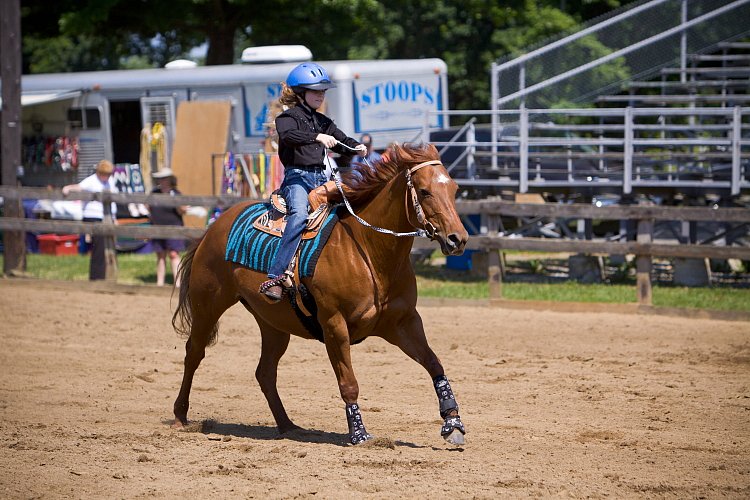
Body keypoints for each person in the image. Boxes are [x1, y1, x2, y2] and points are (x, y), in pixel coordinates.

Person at [259, 62, 366, 302]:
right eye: (315, 90)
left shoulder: (324, 121)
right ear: (300, 93)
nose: (320, 95)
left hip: (323, 179)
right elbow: (288, 136)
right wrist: (317, 136)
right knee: (298, 216)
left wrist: (356, 146)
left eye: (323, 91)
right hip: (297, 178)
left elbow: (342, 139)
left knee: (352, 211)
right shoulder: (286, 119)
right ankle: (276, 276)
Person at [62, 159, 117, 280]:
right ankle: (96, 277)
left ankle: (107, 274)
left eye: (108, 174)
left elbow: (113, 200)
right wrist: (67, 188)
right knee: (99, 248)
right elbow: (79, 187)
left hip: (107, 217)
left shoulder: (110, 181)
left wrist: (114, 217)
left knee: (109, 248)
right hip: (94, 217)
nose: (107, 176)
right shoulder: (92, 180)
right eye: (105, 174)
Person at [148, 168, 187, 287]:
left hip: (174, 227)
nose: (162, 180)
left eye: (164, 178)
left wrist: (178, 205)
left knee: (174, 254)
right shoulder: (154, 192)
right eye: (160, 178)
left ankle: (178, 283)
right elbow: (148, 207)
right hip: (158, 227)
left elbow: (182, 211)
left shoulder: (176, 193)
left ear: (170, 179)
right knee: (160, 255)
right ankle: (160, 283)